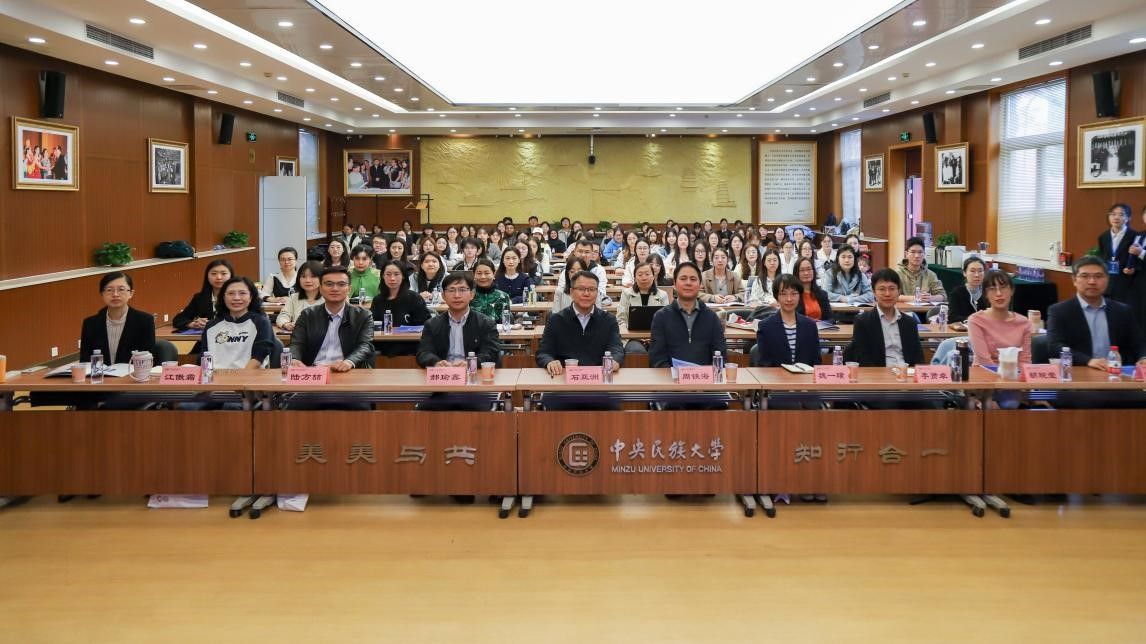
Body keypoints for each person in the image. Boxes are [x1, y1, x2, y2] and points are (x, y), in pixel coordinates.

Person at [1047, 255, 1146, 370]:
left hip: (1116, 373)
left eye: (1098, 276)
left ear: (1107, 279)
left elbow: (1139, 343)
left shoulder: (1122, 311)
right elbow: (1055, 346)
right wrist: (1088, 361)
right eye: (1085, 276)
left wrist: (1143, 357)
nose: (1092, 282)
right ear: (1074, 280)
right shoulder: (1059, 311)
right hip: (1080, 373)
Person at [537, 271, 624, 374]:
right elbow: (544, 352)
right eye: (581, 289)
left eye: (591, 289)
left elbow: (616, 348)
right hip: (564, 377)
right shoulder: (556, 320)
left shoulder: (609, 320)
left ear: (597, 293)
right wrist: (549, 361)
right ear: (571, 292)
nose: (586, 294)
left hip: (598, 376)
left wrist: (615, 360)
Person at [288, 266, 375, 371]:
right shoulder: (307, 315)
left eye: (341, 284)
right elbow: (296, 343)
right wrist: (294, 358)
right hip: (313, 371)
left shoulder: (363, 316)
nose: (335, 289)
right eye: (329, 284)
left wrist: (349, 362)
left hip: (346, 370)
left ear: (349, 289)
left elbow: (365, 345)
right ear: (320, 289)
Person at [649, 262, 727, 368]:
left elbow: (720, 356)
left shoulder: (711, 317)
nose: (688, 283)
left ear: (700, 285)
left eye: (693, 279)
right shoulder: (661, 317)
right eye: (683, 278)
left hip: (704, 377)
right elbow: (657, 358)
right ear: (674, 284)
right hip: (670, 376)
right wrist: (675, 375)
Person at [416, 273, 501, 367]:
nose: (457, 295)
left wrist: (471, 363)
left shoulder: (486, 323)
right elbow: (424, 352)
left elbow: (490, 352)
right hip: (443, 372)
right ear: (443, 296)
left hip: (473, 372)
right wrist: (436, 362)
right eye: (451, 290)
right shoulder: (432, 324)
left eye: (462, 290)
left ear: (472, 294)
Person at [844, 268, 924, 367]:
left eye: (892, 289)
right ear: (874, 292)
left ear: (899, 291)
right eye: (882, 289)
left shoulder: (910, 322)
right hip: (877, 373)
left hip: (906, 372)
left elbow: (918, 358)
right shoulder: (863, 322)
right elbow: (864, 359)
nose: (887, 294)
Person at [193, 277, 274, 370]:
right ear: (223, 297)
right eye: (231, 293)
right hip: (215, 377)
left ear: (251, 297)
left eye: (242, 293)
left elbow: (258, 358)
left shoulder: (261, 323)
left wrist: (239, 377)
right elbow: (205, 357)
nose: (236, 298)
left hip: (248, 376)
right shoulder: (211, 326)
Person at [80, 272, 155, 364]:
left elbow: (147, 359)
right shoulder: (90, 324)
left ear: (131, 293)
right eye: (109, 290)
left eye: (121, 289)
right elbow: (85, 361)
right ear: (102, 294)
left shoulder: (145, 321)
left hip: (132, 372)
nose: (115, 294)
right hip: (100, 373)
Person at [752, 275, 821, 367]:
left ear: (799, 296)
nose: (789, 299)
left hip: (805, 375)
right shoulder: (765, 326)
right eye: (783, 294)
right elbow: (764, 364)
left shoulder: (810, 326)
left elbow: (816, 362)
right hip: (775, 375)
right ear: (776, 296)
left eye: (794, 294)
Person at [967, 270, 1031, 366]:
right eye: (992, 289)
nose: (998, 293)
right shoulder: (976, 320)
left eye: (1003, 287)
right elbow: (984, 361)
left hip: (1014, 373)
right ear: (986, 294)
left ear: (1012, 290)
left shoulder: (1024, 323)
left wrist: (1018, 374)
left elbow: (1025, 361)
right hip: (984, 373)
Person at [372, 260, 432, 357]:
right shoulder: (377, 300)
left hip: (410, 347)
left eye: (396, 274)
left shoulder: (414, 298)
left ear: (403, 276)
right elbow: (373, 326)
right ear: (382, 276)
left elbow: (425, 325)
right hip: (383, 346)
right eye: (388, 274)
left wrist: (401, 331)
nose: (392, 278)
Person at [173, 259, 233, 330]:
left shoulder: (238, 297)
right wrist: (193, 324)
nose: (218, 277)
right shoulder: (200, 298)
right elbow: (179, 319)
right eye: (214, 274)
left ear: (231, 275)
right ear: (207, 276)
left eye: (224, 273)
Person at [1097, 203, 1137, 303]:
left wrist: (1134, 269)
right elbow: (1102, 257)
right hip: (1107, 284)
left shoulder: (1135, 236)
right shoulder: (1103, 237)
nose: (1116, 217)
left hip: (1127, 284)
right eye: (1113, 214)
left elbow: (1140, 261)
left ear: (1128, 218)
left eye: (1121, 214)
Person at [617, 260, 671, 329]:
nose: (644, 278)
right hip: (631, 333)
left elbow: (666, 319)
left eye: (647, 274)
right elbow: (621, 319)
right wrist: (627, 330)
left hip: (655, 333)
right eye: (640, 275)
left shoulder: (663, 295)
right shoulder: (626, 293)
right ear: (635, 278)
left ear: (653, 277)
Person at [276, 261, 324, 331]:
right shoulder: (294, 297)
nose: (307, 280)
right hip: (299, 335)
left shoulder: (328, 298)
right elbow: (283, 315)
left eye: (313, 276)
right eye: (303, 276)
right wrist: (286, 324)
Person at [896, 236, 946, 302]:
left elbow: (943, 296)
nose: (917, 256)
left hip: (925, 308)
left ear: (924, 254)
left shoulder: (931, 275)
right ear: (906, 254)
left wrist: (931, 298)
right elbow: (894, 296)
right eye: (913, 252)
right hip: (904, 308)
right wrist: (915, 298)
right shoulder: (897, 274)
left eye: (920, 252)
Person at [947, 256, 989, 322]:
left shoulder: (988, 292)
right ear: (964, 273)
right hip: (965, 327)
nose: (977, 275)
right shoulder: (957, 293)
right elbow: (952, 317)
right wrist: (974, 320)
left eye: (980, 271)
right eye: (972, 271)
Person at [470, 258, 512, 322]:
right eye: (479, 273)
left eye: (487, 273)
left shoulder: (503, 296)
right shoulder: (468, 295)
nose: (483, 277)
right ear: (474, 275)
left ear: (494, 274)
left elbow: (506, 322)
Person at [793, 257, 833, 322]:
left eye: (809, 269)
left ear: (813, 271)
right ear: (796, 273)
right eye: (802, 270)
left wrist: (820, 324)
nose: (806, 273)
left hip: (821, 328)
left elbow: (830, 319)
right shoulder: (793, 295)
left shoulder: (822, 294)